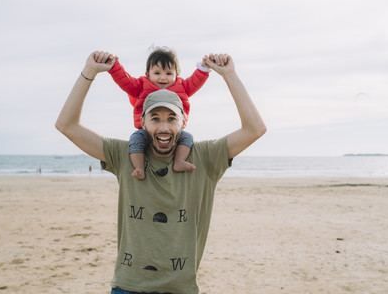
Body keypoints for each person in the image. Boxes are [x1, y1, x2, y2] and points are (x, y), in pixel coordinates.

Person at [55, 50, 266, 294]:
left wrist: (230, 75)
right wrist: (89, 72)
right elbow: (66, 125)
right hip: (128, 287)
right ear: (142, 123)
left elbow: (255, 129)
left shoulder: (204, 157)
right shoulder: (124, 155)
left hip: (180, 289)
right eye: (155, 119)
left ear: (184, 122)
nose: (164, 127)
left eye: (171, 119)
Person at [105, 47, 211, 179]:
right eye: (157, 73)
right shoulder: (141, 86)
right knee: (136, 140)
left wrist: (203, 69)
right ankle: (139, 167)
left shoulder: (182, 86)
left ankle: (179, 161)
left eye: (168, 73)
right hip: (145, 130)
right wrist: (114, 67)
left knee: (187, 137)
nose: (163, 78)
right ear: (147, 74)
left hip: (174, 130)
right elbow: (125, 81)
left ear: (176, 74)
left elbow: (196, 81)